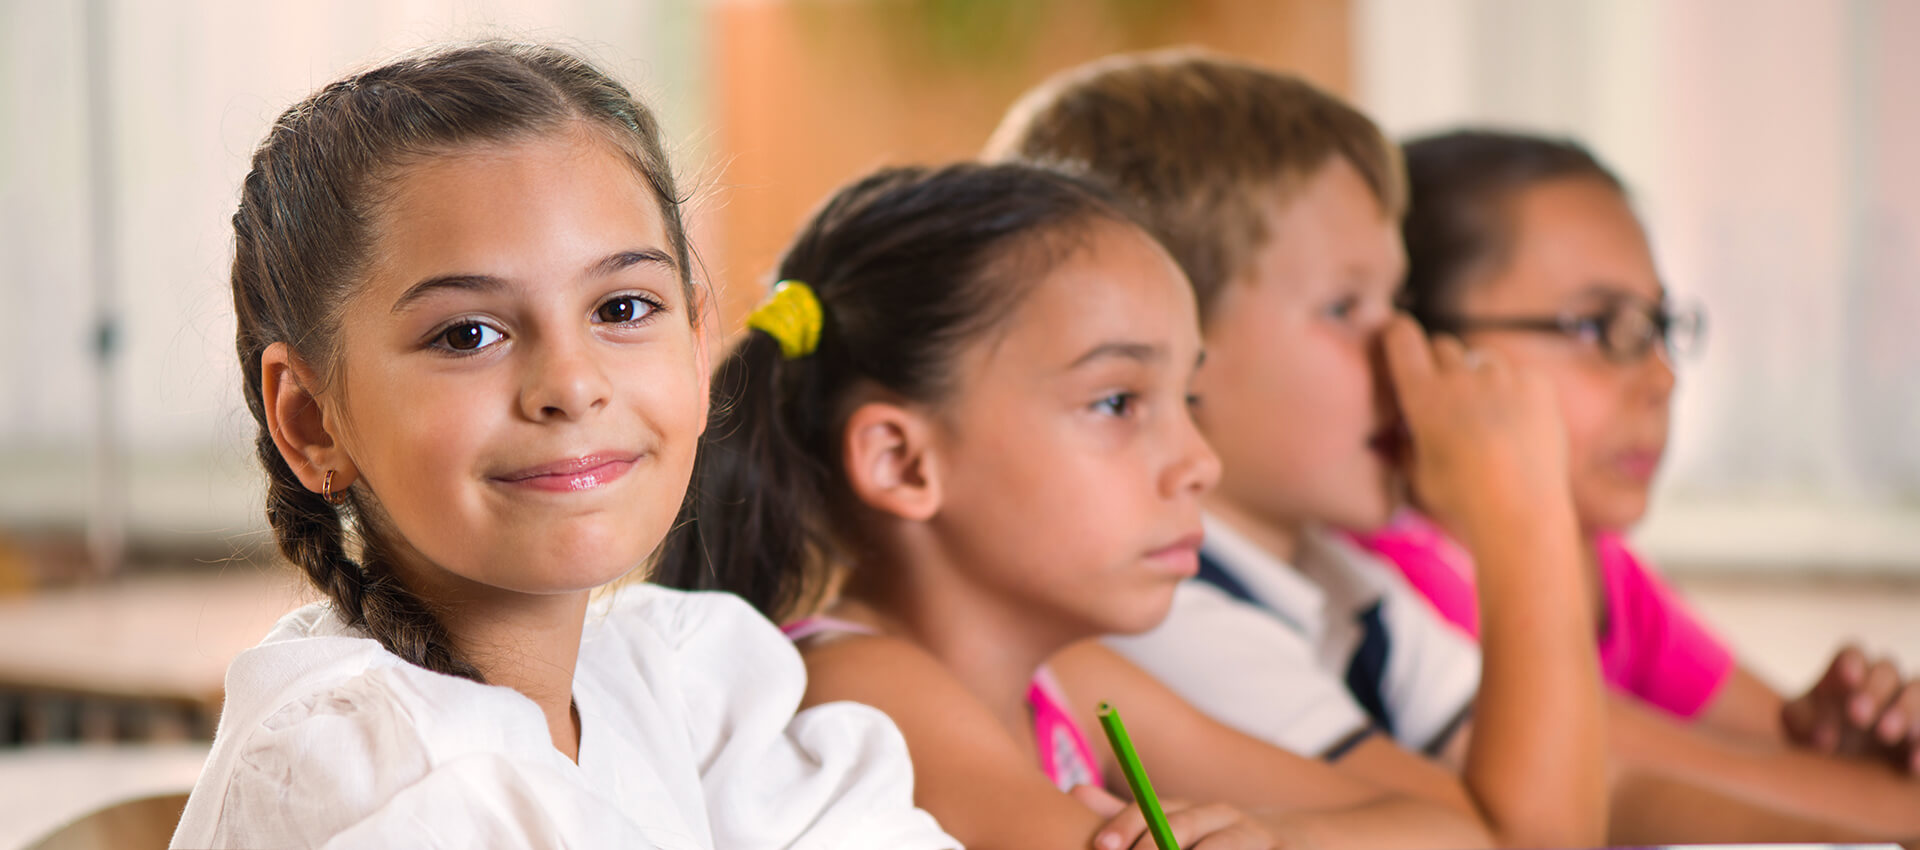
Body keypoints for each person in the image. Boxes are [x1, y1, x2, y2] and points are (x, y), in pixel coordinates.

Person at [172, 41, 955, 849]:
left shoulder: (673, 682)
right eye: (468, 334)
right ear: (311, 420)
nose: (573, 385)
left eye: (621, 309)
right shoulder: (379, 781)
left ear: (697, 351)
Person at [657, 161, 1491, 850]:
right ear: (903, 463)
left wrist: (1276, 836)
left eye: (1187, 399)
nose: (1200, 464)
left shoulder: (1069, 681)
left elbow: (1459, 832)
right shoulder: (861, 686)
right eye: (1118, 402)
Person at [984, 49, 1606, 847]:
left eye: (1399, 302)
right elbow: (1534, 838)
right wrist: (1524, 513)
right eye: (1344, 307)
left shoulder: (1343, 576)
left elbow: (1572, 795)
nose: (1404, 350)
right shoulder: (1164, 615)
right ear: (1177, 339)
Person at [1358, 127, 1920, 837]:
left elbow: (1772, 757)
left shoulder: (1606, 570)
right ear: (1415, 351)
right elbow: (1694, 780)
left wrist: (1848, 742)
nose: (1662, 377)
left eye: (1658, 326)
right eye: (1598, 326)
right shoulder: (1393, 587)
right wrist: (1858, 785)